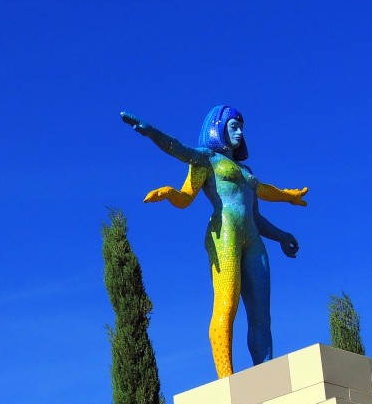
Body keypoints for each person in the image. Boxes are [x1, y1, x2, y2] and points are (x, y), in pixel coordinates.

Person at [120, 105, 308, 378]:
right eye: (234, 126)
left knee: (261, 316)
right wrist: (152, 138)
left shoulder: (246, 170)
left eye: (241, 127)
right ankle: (226, 378)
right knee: (227, 303)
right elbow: (179, 161)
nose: (240, 132)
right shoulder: (205, 159)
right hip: (224, 233)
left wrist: (282, 235)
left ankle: (267, 377)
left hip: (253, 240)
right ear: (218, 128)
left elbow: (258, 208)